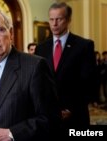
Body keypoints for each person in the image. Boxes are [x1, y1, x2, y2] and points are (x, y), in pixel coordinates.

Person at [0, 8, 60, 141]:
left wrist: (11, 133)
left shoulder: (35, 66)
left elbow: (50, 118)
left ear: (11, 33)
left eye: (0, 30)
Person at [35, 2, 96, 132]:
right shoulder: (41, 48)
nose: (54, 24)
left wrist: (71, 109)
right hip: (48, 118)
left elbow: (89, 83)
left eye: (59, 19)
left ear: (68, 20)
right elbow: (38, 82)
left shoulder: (84, 46)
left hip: (76, 117)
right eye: (51, 19)